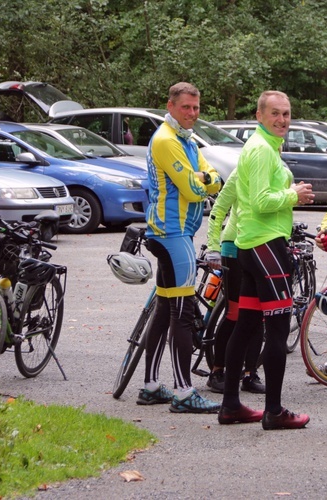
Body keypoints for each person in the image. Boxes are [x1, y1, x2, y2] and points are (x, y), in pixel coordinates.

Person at [217, 90, 314, 429]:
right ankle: (274, 411)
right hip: (264, 248)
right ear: (259, 115)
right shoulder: (261, 150)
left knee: (244, 327)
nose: (282, 120)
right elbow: (259, 201)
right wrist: (294, 195)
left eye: (286, 114)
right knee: (276, 329)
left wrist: (288, 194)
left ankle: (230, 405)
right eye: (274, 113)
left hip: (251, 246)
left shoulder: (267, 147)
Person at [140, 82, 222, 413]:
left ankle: (150, 387)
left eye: (196, 107)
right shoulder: (166, 140)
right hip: (173, 235)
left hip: (174, 233)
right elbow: (193, 189)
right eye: (186, 107)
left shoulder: (185, 139)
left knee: (163, 310)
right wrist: (205, 179)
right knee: (183, 313)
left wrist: (205, 177)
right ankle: (185, 392)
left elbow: (215, 177)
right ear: (170, 106)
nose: (192, 113)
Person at [205, 168, 266, 395]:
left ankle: (250, 374)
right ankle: (217, 371)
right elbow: (219, 208)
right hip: (234, 245)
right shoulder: (241, 172)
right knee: (235, 313)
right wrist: (213, 246)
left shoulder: (277, 169)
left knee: (258, 313)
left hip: (262, 246)